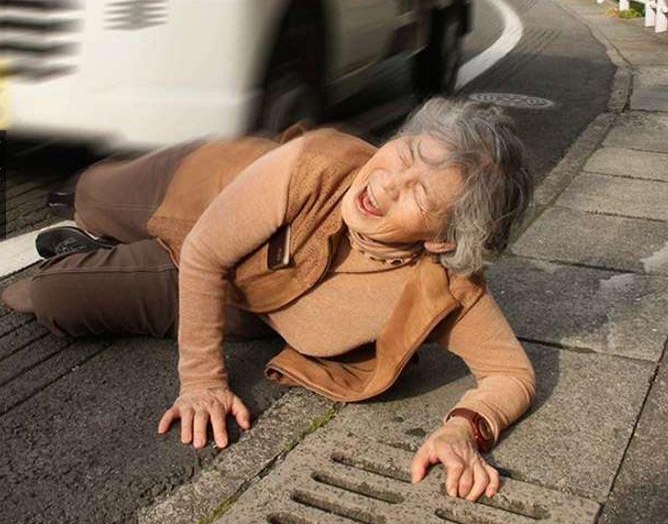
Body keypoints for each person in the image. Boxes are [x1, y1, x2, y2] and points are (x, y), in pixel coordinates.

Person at [1, 98, 535, 503]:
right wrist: (203, 381)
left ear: (442, 240)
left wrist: (463, 429)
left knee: (51, 295)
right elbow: (206, 249)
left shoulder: (444, 286)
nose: (389, 182)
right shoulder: (317, 161)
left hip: (236, 290)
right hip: (201, 192)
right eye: (408, 154)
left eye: (420, 193)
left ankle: (90, 253)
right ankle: (96, 229)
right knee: (89, 195)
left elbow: (510, 374)